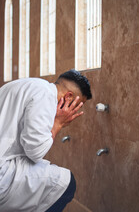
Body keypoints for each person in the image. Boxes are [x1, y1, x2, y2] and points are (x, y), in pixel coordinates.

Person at [0, 69, 92, 212]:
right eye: (77, 105)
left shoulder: (28, 85)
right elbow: (35, 152)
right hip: (3, 174)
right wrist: (58, 124)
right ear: (68, 97)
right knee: (66, 183)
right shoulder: (46, 96)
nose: (74, 111)